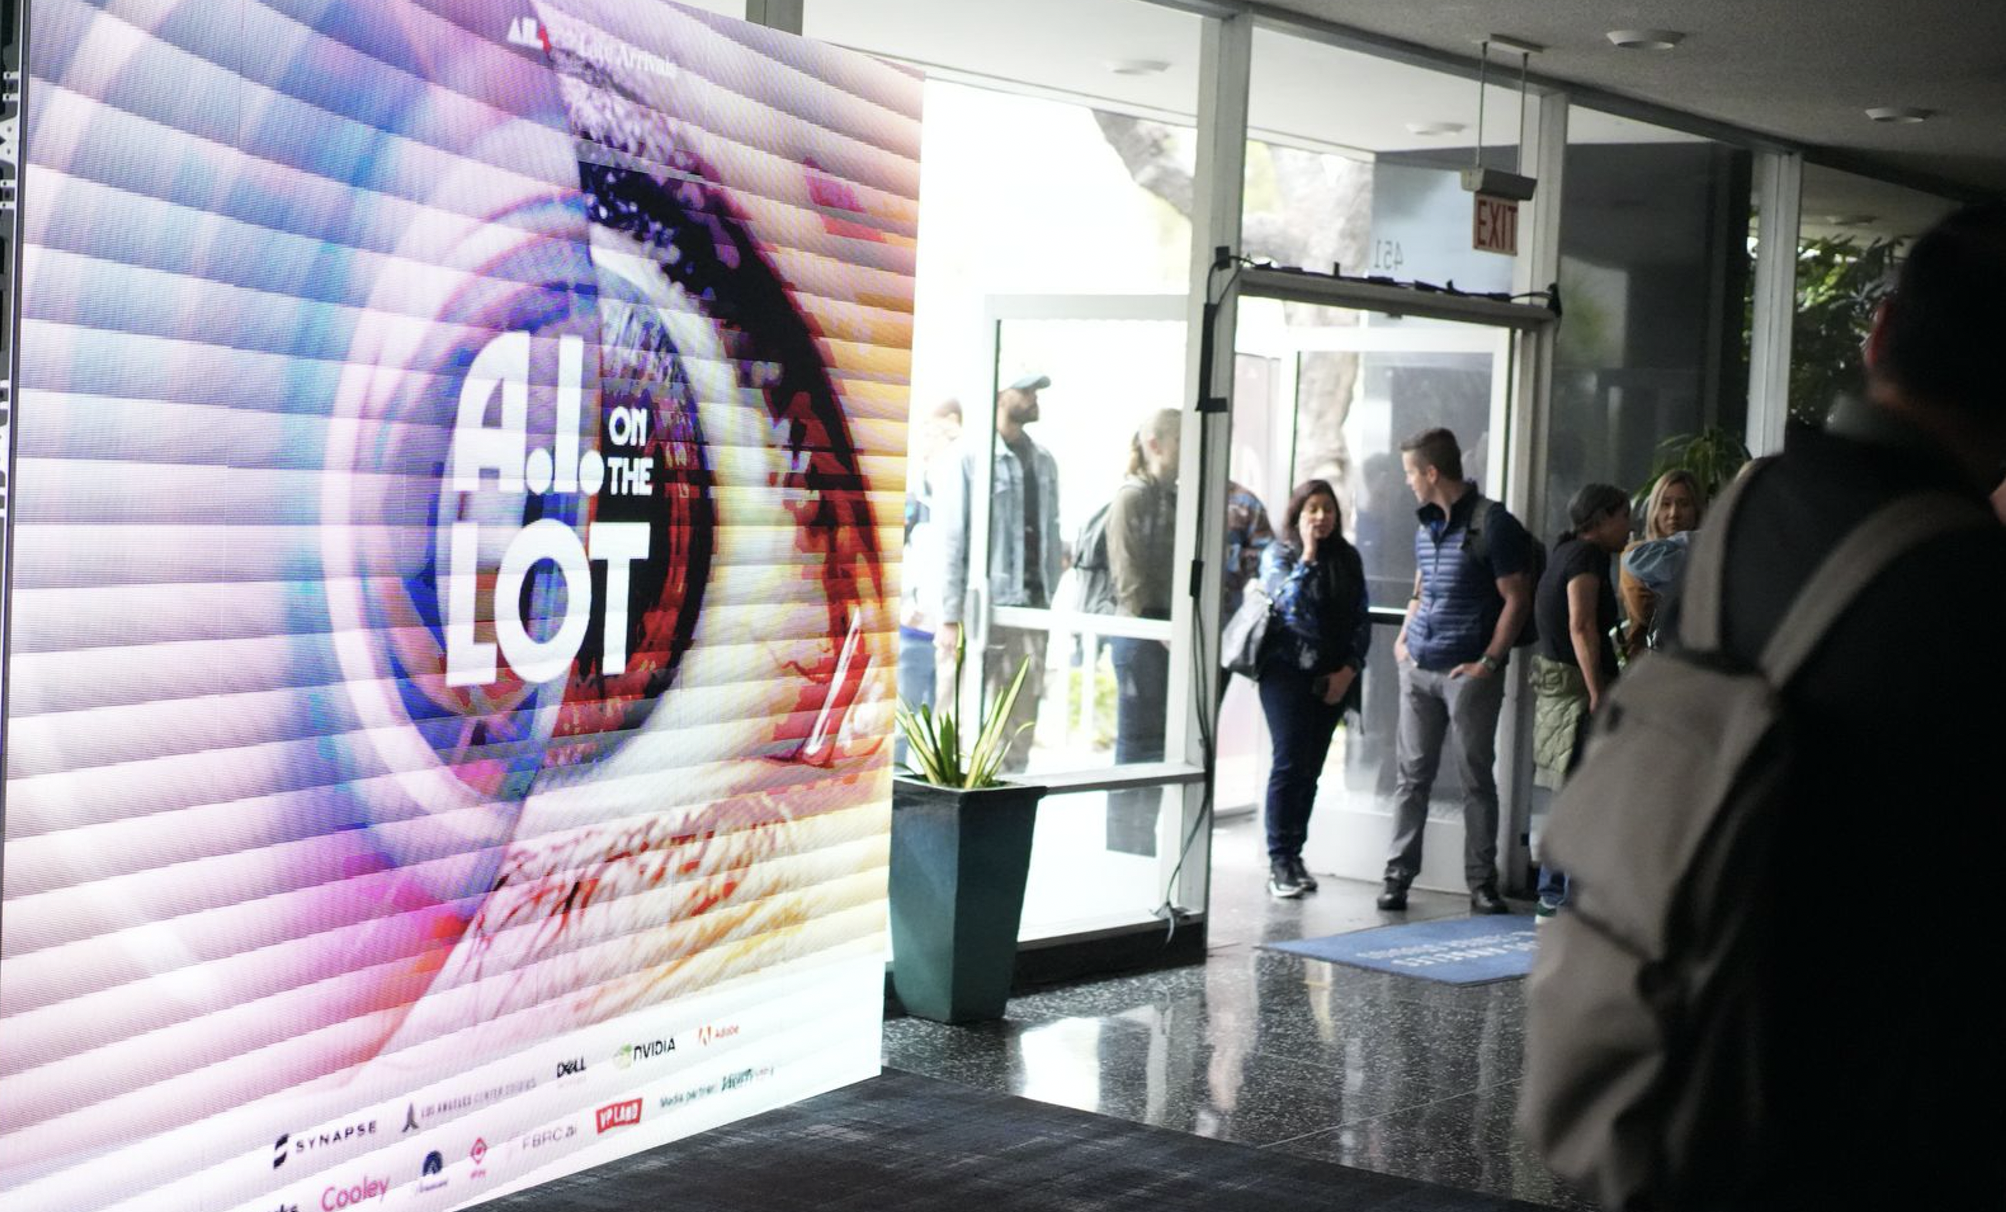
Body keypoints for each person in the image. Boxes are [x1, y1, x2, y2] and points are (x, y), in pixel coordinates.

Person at [1546, 202, 2006, 1206]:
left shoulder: (1746, 511)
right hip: (1864, 1122)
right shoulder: (1973, 589)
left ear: (1880, 335)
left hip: (1680, 1057)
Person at [1382, 428, 1533, 915]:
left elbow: (1517, 597)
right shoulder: (1425, 524)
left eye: (1410, 473)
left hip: (1467, 675)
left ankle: (1482, 883)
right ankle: (1397, 877)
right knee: (1412, 777)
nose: (1406, 482)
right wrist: (1404, 638)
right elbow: (1422, 585)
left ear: (1431, 472)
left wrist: (1489, 661)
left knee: (1475, 778)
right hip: (1420, 667)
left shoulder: (1494, 523)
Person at [935, 375, 1063, 773]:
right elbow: (952, 538)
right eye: (1025, 390)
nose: (1033, 397)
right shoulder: (968, 456)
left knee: (1019, 720)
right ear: (999, 394)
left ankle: (1006, 804)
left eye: (1035, 390)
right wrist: (951, 617)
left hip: (1030, 608)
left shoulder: (1043, 461)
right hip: (981, 609)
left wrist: (1049, 601)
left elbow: (1051, 533)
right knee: (954, 716)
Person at [1256, 480, 1370, 899]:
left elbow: (1362, 617)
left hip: (1332, 675)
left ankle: (1296, 853)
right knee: (1288, 761)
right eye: (1312, 509)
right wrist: (1307, 555)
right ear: (1297, 515)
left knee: (1311, 767)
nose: (1320, 517)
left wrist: (1349, 670)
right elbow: (1287, 605)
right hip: (1285, 673)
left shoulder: (1348, 558)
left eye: (1327, 509)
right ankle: (1278, 859)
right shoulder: (1280, 555)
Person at [1528, 483, 1630, 919]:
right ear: (1602, 518)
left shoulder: (1563, 553)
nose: (1629, 527)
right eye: (1624, 516)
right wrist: (1598, 692)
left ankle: (1552, 893)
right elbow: (1582, 625)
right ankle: (1566, 899)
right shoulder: (1587, 558)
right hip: (1576, 691)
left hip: (1558, 689)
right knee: (1585, 793)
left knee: (1567, 794)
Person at [1105, 410, 1181, 854]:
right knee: (1136, 751)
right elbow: (1130, 585)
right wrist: (1163, 631)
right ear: (1156, 443)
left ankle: (1142, 849)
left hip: (1161, 638)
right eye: (1180, 440)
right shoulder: (1133, 498)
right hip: (1141, 641)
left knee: (1155, 752)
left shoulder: (1169, 497)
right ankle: (1124, 852)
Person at [895, 399, 963, 765]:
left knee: (942, 727)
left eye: (935, 432)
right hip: (915, 630)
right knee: (904, 725)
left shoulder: (958, 491)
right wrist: (906, 606)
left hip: (947, 632)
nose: (927, 441)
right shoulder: (915, 497)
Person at [1618, 469, 1704, 658]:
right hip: (1651, 664)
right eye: (1665, 504)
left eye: (1684, 504)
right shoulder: (1637, 554)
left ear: (1697, 509)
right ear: (1654, 509)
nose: (1674, 513)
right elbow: (1647, 610)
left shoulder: (1706, 552)